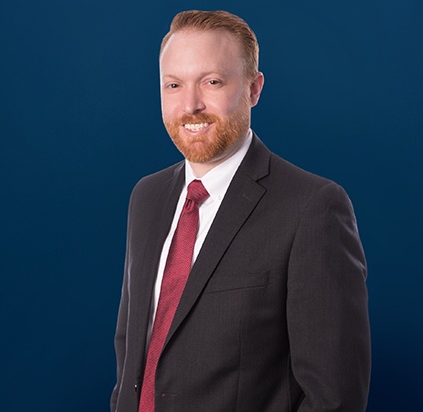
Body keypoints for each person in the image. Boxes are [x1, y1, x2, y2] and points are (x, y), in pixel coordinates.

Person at [111, 10, 370, 412]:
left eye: (212, 82)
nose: (191, 105)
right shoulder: (147, 197)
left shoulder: (313, 208)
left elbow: (334, 399)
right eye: (174, 85)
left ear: (253, 89)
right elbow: (131, 352)